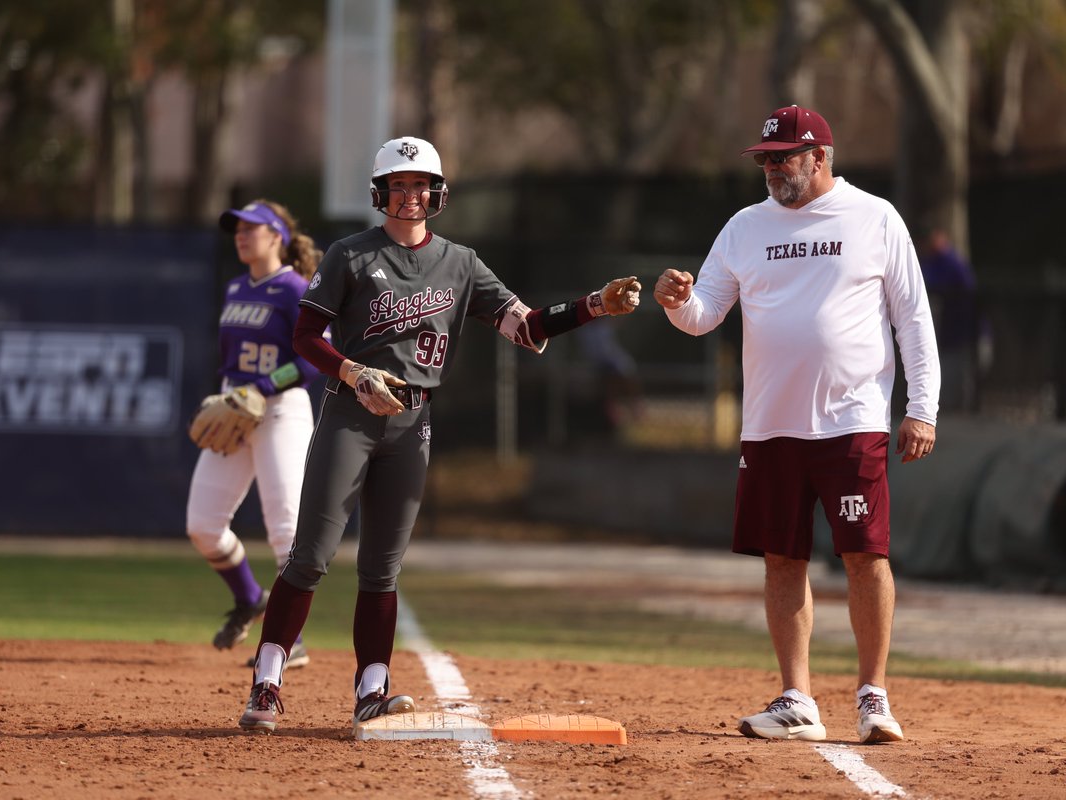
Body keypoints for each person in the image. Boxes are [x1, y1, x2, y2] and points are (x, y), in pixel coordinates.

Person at [237, 136, 641, 732]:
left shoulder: (461, 263)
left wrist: (594, 306)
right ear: (381, 192)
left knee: (382, 568)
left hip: (413, 421)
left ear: (437, 192)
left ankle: (371, 690)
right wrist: (352, 371)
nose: (410, 194)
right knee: (311, 556)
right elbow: (305, 338)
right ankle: (267, 681)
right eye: (399, 184)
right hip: (351, 414)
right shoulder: (351, 254)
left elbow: (527, 328)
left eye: (420, 184)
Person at [653, 106, 940, 744]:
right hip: (770, 424)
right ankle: (796, 698)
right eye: (765, 159)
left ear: (819, 157)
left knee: (865, 554)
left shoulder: (874, 217)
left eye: (783, 157)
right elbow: (705, 314)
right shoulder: (744, 226)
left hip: (852, 419)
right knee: (782, 558)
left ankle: (872, 695)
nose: (771, 168)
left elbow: (913, 318)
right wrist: (678, 302)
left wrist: (922, 407)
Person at [185, 199, 323, 668]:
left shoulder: (295, 288)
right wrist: (232, 394)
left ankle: (291, 640)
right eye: (238, 229)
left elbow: (311, 360)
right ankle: (250, 598)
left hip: (280, 411)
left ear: (276, 236)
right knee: (203, 526)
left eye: (252, 228)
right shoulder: (235, 287)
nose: (242, 236)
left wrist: (262, 388)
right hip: (235, 410)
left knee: (286, 527)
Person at [916, 226, 988, 413]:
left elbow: (970, 296)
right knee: (947, 377)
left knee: (963, 377)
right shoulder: (928, 262)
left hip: (964, 332)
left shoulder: (954, 263)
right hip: (945, 333)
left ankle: (964, 411)